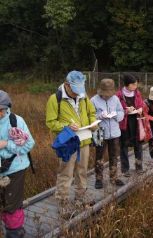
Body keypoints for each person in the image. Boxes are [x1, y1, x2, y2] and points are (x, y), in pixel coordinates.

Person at [45, 70, 97, 217]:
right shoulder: (55, 99)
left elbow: (91, 113)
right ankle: (63, 202)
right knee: (65, 173)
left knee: (82, 171)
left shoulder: (83, 96)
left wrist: (93, 123)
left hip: (84, 140)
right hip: (68, 143)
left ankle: (81, 197)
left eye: (80, 90)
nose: (77, 93)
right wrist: (66, 126)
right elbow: (50, 122)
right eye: (75, 90)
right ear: (67, 85)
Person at [0, 90, 35, 238]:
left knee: (12, 204)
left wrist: (7, 144)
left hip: (15, 169)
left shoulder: (16, 121)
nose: (0, 113)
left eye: (1, 110)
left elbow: (29, 145)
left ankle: (14, 233)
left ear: (7, 107)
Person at [91, 78, 125, 189]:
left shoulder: (115, 99)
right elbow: (90, 116)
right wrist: (99, 116)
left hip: (115, 132)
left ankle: (113, 177)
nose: (107, 96)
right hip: (99, 131)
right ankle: (98, 179)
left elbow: (121, 112)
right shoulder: (93, 100)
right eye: (105, 94)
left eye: (108, 94)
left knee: (114, 156)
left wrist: (116, 115)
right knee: (99, 156)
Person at [116, 73, 144, 177]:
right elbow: (116, 110)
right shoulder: (119, 95)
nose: (135, 86)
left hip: (136, 121)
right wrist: (125, 111)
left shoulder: (137, 93)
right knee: (124, 146)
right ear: (127, 84)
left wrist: (140, 109)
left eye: (136, 84)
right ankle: (125, 169)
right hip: (124, 123)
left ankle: (139, 166)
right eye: (134, 84)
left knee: (138, 145)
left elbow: (141, 104)